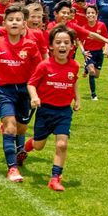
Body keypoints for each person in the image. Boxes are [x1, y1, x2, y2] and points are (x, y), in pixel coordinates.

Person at [0, 4, 42, 182]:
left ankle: (9, 130)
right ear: (4, 23)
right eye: (10, 20)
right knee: (11, 127)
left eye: (18, 20)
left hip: (24, 90)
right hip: (3, 89)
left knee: (21, 128)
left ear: (24, 25)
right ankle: (12, 169)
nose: (14, 22)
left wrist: (37, 92)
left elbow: (39, 70)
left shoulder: (30, 45)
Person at [22, 25, 81, 192]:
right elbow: (31, 83)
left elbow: (74, 81)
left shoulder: (74, 65)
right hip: (45, 110)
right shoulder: (44, 65)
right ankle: (25, 148)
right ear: (51, 46)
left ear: (72, 46)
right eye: (58, 42)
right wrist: (34, 97)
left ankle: (55, 178)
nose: (62, 46)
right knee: (39, 145)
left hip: (64, 111)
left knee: (62, 144)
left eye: (66, 43)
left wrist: (77, 98)